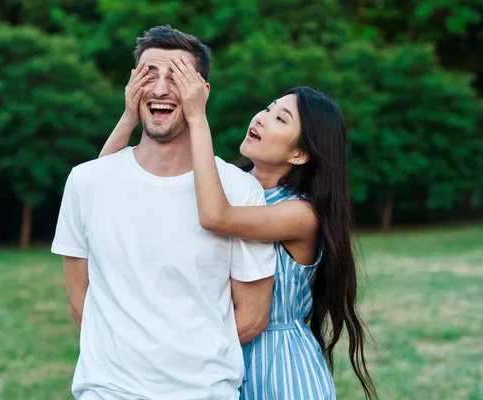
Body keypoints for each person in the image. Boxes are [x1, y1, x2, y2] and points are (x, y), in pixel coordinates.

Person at [101, 56, 377, 399]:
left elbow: (216, 217)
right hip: (218, 363)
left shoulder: (301, 213)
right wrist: (130, 117)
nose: (262, 117)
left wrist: (197, 117)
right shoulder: (227, 189)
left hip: (279, 370)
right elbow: (101, 190)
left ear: (300, 154)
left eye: (280, 118)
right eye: (268, 108)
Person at [51, 26, 277, 400]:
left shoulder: (239, 189)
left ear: (201, 92)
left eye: (177, 77)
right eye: (149, 75)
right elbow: (81, 301)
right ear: (131, 86)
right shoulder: (85, 181)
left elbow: (253, 315)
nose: (159, 89)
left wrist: (182, 363)